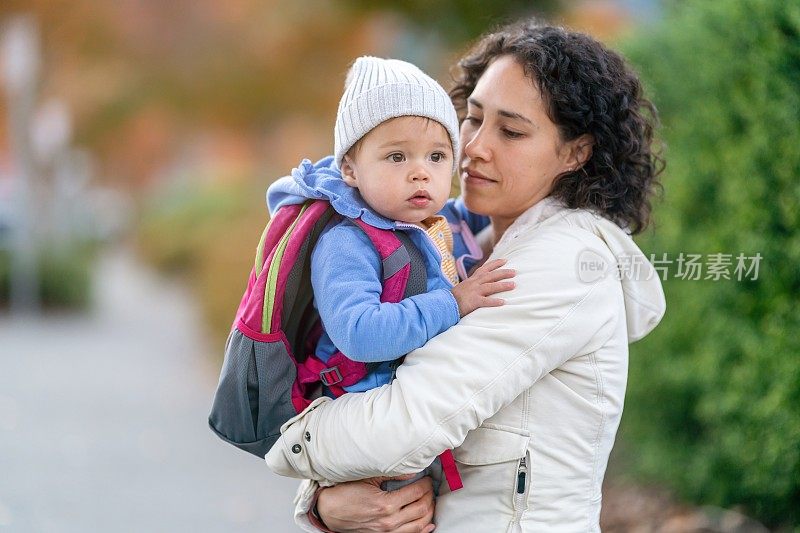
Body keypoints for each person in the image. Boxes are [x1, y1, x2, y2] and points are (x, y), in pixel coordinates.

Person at [265, 19, 667, 533]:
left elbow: (406, 425)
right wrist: (325, 503)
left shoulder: (563, 264)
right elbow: (388, 397)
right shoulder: (452, 243)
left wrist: (291, 440)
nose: (473, 147)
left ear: (575, 152)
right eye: (473, 118)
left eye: (512, 131)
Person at [266, 56, 515, 494]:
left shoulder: (442, 222)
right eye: (396, 156)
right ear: (350, 169)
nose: (420, 171)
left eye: (437, 156)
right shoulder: (348, 242)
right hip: (367, 422)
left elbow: (501, 218)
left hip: (415, 422)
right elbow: (360, 332)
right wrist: (453, 303)